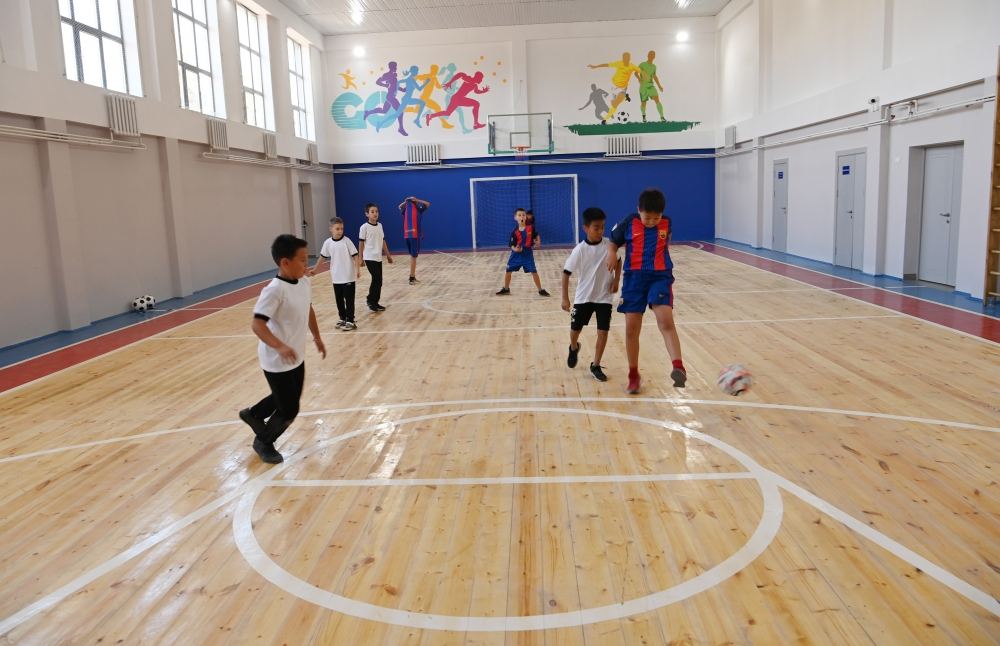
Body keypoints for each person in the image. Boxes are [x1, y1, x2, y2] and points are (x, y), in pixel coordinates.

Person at [239, 234, 326, 464]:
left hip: (296, 355)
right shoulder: (274, 290)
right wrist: (279, 346)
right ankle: (264, 442)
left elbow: (307, 309)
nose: (306, 264)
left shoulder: (304, 282)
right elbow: (257, 325)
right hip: (275, 360)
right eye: (302, 260)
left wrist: (317, 337)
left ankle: (253, 414)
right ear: (285, 262)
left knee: (287, 398)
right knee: (289, 409)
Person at [607, 188, 686, 394]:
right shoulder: (628, 222)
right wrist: (611, 254)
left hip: (660, 277)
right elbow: (613, 242)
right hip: (634, 280)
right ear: (638, 211)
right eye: (647, 217)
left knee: (666, 320)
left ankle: (678, 367)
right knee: (632, 328)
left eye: (656, 217)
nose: (651, 221)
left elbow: (664, 244)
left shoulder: (667, 223)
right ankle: (633, 374)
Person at [561, 207, 621, 382]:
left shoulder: (609, 246)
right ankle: (573, 347)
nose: (600, 230)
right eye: (596, 227)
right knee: (575, 330)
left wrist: (616, 280)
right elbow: (566, 273)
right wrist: (565, 298)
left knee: (603, 331)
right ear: (585, 228)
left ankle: (595, 364)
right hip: (583, 298)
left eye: (602, 227)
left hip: (604, 297)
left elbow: (618, 261)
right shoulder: (579, 250)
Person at [312, 217, 360, 330]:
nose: (340, 231)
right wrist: (315, 269)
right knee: (339, 299)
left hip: (348, 277)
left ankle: (350, 320)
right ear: (331, 229)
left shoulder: (347, 241)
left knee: (349, 300)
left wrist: (358, 269)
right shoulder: (328, 243)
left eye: (342, 229)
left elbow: (355, 255)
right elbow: (322, 258)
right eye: (337, 229)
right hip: (336, 277)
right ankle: (342, 318)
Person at [496, 207, 550, 297]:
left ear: (526, 217)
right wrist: (515, 249)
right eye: (519, 215)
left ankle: (540, 290)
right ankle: (506, 289)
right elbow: (511, 245)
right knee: (508, 271)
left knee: (534, 272)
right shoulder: (514, 231)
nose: (522, 217)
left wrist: (538, 242)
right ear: (515, 217)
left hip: (527, 254)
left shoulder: (530, 228)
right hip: (516, 255)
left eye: (523, 215)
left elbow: (536, 235)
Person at [588, 52, 641, 124]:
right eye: (624, 57)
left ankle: (605, 120)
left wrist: (644, 77)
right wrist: (596, 66)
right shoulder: (619, 63)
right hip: (613, 87)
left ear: (629, 58)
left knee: (615, 103)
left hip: (622, 88)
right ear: (623, 58)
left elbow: (641, 72)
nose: (625, 59)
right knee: (613, 105)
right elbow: (606, 65)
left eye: (627, 58)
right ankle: (625, 97)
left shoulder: (632, 66)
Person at [358, 203, 393, 311]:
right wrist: (361, 258)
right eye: (372, 212)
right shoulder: (364, 227)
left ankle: (375, 302)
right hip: (369, 257)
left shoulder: (380, 226)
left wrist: (388, 255)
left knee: (379, 280)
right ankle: (370, 300)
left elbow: (383, 241)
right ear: (367, 214)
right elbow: (361, 243)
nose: (375, 213)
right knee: (376, 278)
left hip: (378, 257)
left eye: (376, 211)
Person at [398, 196, 431, 284]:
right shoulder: (418, 209)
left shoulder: (406, 210)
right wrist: (416, 200)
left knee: (413, 256)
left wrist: (406, 202)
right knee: (414, 256)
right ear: (415, 202)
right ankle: (411, 278)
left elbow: (399, 206)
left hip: (407, 235)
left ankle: (413, 277)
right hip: (414, 235)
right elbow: (428, 204)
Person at [638, 50, 666, 123]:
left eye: (653, 55)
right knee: (643, 103)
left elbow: (654, 76)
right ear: (648, 55)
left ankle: (662, 117)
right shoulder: (642, 64)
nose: (651, 56)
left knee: (657, 99)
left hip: (651, 86)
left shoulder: (654, 66)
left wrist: (659, 86)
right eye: (650, 54)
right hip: (643, 87)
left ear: (654, 57)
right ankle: (644, 117)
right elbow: (635, 73)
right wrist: (639, 79)